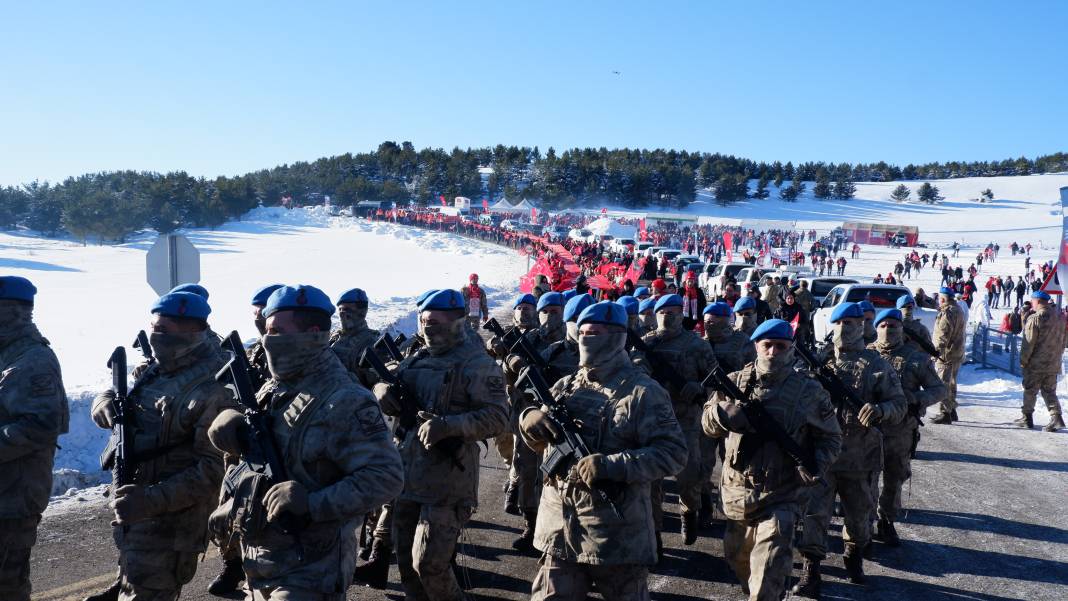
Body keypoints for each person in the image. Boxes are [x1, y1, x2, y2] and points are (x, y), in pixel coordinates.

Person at [208, 284, 404, 600]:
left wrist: (313, 503)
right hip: (261, 563)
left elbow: (386, 478)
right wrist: (234, 501)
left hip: (312, 569)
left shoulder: (345, 400)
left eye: (275, 332)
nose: (266, 340)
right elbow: (264, 469)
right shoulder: (274, 390)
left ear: (311, 335)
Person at [519, 301, 687, 601]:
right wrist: (528, 420)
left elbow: (673, 453)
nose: (585, 338)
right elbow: (542, 443)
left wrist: (613, 465)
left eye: (594, 333)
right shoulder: (565, 386)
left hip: (616, 534)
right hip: (561, 530)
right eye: (582, 332)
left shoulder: (643, 393)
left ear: (616, 336)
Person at [87, 292, 235, 601]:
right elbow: (129, 402)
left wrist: (149, 501)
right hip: (137, 511)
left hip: (172, 523)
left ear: (193, 331)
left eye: (163, 330)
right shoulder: (162, 366)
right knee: (133, 579)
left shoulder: (215, 386)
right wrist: (104, 403)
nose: (155, 337)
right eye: (154, 327)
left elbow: (214, 470)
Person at [373, 289, 509, 601]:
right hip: (408, 477)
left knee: (430, 565)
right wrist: (382, 390)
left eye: (435, 322)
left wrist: (449, 426)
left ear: (458, 321)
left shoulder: (477, 364)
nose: (428, 329)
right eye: (424, 322)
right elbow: (389, 383)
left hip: (449, 479)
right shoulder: (417, 358)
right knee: (407, 563)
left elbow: (498, 417)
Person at [703, 319, 841, 601]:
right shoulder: (734, 381)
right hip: (736, 493)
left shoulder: (810, 391)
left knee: (766, 577)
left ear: (791, 349)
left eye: (781, 346)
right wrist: (721, 415)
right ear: (756, 346)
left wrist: (816, 462)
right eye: (767, 345)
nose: (773, 352)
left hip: (782, 496)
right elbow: (706, 423)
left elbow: (831, 438)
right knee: (738, 560)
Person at [794, 302, 906, 596]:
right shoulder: (816, 362)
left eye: (853, 323)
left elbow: (900, 404)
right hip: (821, 456)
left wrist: (879, 410)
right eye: (840, 323)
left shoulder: (877, 365)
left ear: (863, 327)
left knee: (859, 518)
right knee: (814, 515)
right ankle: (811, 569)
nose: (846, 329)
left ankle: (853, 554)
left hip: (861, 457)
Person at [0, 276, 68, 601]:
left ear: (10, 312)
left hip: (12, 499)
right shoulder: (6, 353)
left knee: (7, 587)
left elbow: (41, 425)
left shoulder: (29, 360)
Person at [633, 294, 719, 544]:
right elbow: (635, 371)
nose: (668, 317)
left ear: (682, 314)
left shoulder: (697, 345)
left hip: (687, 421)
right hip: (652, 423)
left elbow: (715, 380)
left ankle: (688, 513)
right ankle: (655, 534)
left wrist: (699, 387)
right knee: (651, 482)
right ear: (654, 314)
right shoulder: (646, 344)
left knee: (689, 476)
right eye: (663, 312)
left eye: (674, 312)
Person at [869, 309, 946, 546]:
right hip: (867, 430)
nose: (888, 330)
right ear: (875, 328)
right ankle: (862, 524)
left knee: (894, 477)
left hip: (901, 431)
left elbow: (940, 390)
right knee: (866, 479)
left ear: (902, 328)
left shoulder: (915, 358)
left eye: (893, 325)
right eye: (883, 326)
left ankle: (886, 521)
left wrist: (916, 398)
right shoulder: (865, 354)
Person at [1016, 290, 1066, 431]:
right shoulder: (1060, 318)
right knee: (1049, 391)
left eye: (1032, 300)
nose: (1032, 303)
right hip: (1053, 362)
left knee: (1030, 390)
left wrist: (1023, 360)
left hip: (1036, 363)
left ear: (1037, 301)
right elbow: (1063, 341)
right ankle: (1056, 417)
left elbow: (1028, 343)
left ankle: (1027, 417)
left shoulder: (1035, 318)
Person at [930, 287, 967, 424]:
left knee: (943, 383)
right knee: (952, 383)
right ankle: (952, 410)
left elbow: (942, 335)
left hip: (946, 354)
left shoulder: (947, 313)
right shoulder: (959, 310)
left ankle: (945, 412)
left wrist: (935, 353)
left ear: (943, 299)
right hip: (957, 353)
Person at [330, 287, 381, 384]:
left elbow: (374, 383)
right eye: (340, 309)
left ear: (362, 312)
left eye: (346, 309)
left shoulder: (371, 343)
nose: (342, 314)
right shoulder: (335, 337)